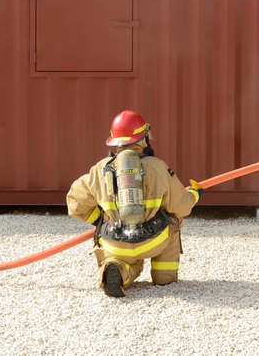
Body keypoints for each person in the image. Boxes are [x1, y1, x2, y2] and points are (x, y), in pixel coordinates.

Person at [66, 109, 203, 297]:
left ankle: (117, 270)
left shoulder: (100, 169)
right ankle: (164, 277)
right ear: (143, 138)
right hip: (153, 240)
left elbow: (74, 203)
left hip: (114, 244)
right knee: (175, 220)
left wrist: (100, 219)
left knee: (126, 262)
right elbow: (182, 206)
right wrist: (195, 194)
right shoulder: (158, 167)